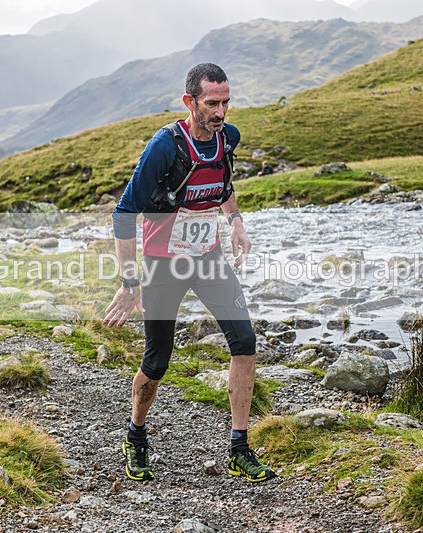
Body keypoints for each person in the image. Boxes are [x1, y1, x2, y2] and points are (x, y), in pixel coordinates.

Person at [103, 63, 275, 484]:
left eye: (226, 102)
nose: (220, 112)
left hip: (209, 257)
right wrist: (129, 282)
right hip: (164, 265)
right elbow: (124, 214)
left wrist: (235, 221)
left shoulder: (227, 139)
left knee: (245, 341)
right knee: (158, 360)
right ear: (190, 102)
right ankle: (137, 434)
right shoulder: (165, 147)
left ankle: (239, 446)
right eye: (211, 103)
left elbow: (224, 184)